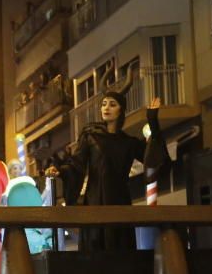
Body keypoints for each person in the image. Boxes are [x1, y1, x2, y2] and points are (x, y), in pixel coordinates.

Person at [45, 92, 149, 251]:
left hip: (120, 202)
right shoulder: (91, 136)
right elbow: (76, 164)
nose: (106, 108)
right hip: (95, 200)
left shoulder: (129, 143)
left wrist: (153, 121)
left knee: (120, 251)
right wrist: (60, 171)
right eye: (104, 104)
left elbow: (152, 159)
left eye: (112, 104)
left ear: (121, 111)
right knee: (95, 251)